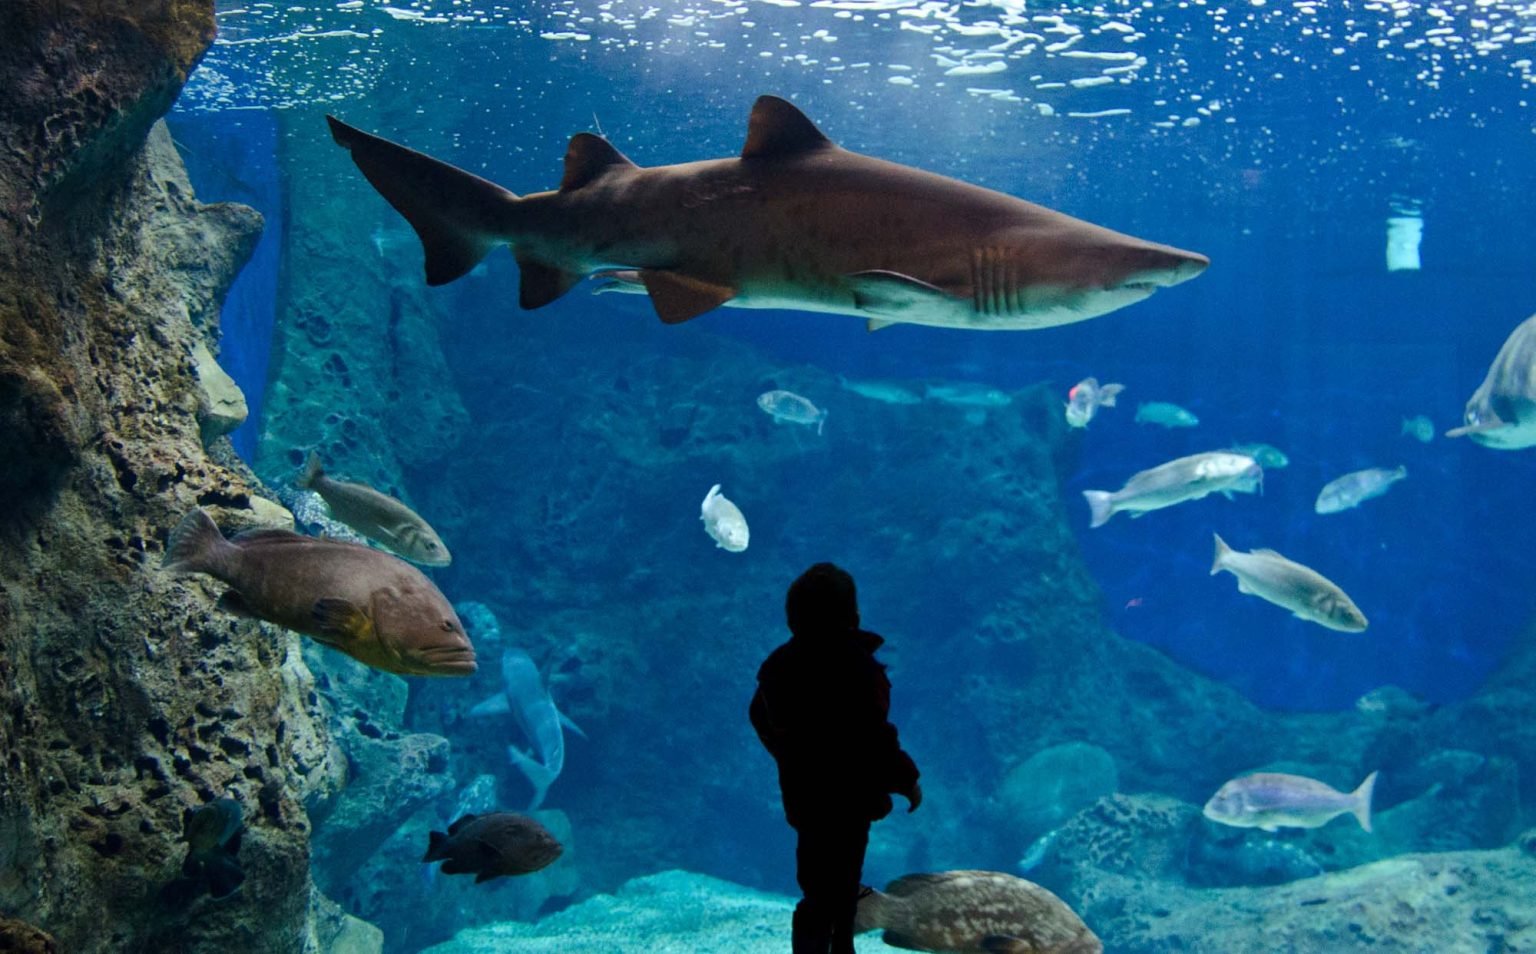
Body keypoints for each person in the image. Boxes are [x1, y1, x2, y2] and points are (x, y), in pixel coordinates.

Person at [750, 562, 922, 954]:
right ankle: (840, 946)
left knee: (816, 889)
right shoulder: (858, 668)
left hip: (806, 798)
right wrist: (907, 779)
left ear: (792, 619)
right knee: (842, 886)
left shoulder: (780, 668)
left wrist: (786, 754)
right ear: (853, 616)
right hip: (849, 801)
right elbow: (876, 737)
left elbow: (758, 715)